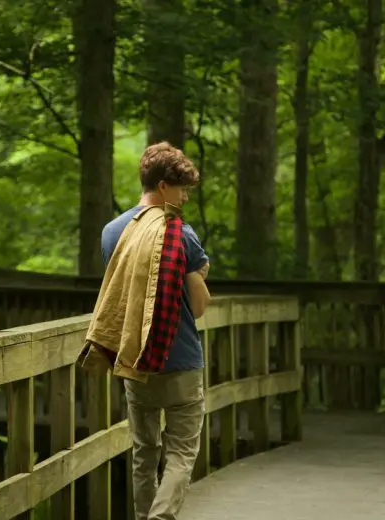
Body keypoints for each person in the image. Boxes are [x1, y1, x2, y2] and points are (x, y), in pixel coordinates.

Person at [100, 142, 211, 520]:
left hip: (136, 361)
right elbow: (197, 306)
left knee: (144, 453)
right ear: (163, 187)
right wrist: (198, 273)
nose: (184, 198)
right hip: (180, 360)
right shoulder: (181, 233)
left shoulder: (113, 233)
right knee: (180, 453)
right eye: (182, 189)